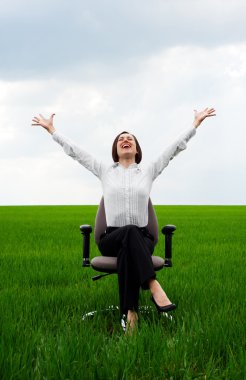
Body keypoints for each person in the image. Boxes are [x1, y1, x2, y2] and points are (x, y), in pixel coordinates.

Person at [32, 107, 216, 333]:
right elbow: (76, 152)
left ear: (137, 149)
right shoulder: (104, 170)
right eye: (121, 139)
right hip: (111, 238)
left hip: (143, 239)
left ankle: (130, 315)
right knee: (128, 233)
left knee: (130, 244)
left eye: (130, 139)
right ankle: (152, 284)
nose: (125, 140)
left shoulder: (148, 171)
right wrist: (52, 130)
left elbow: (173, 148)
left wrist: (195, 124)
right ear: (116, 149)